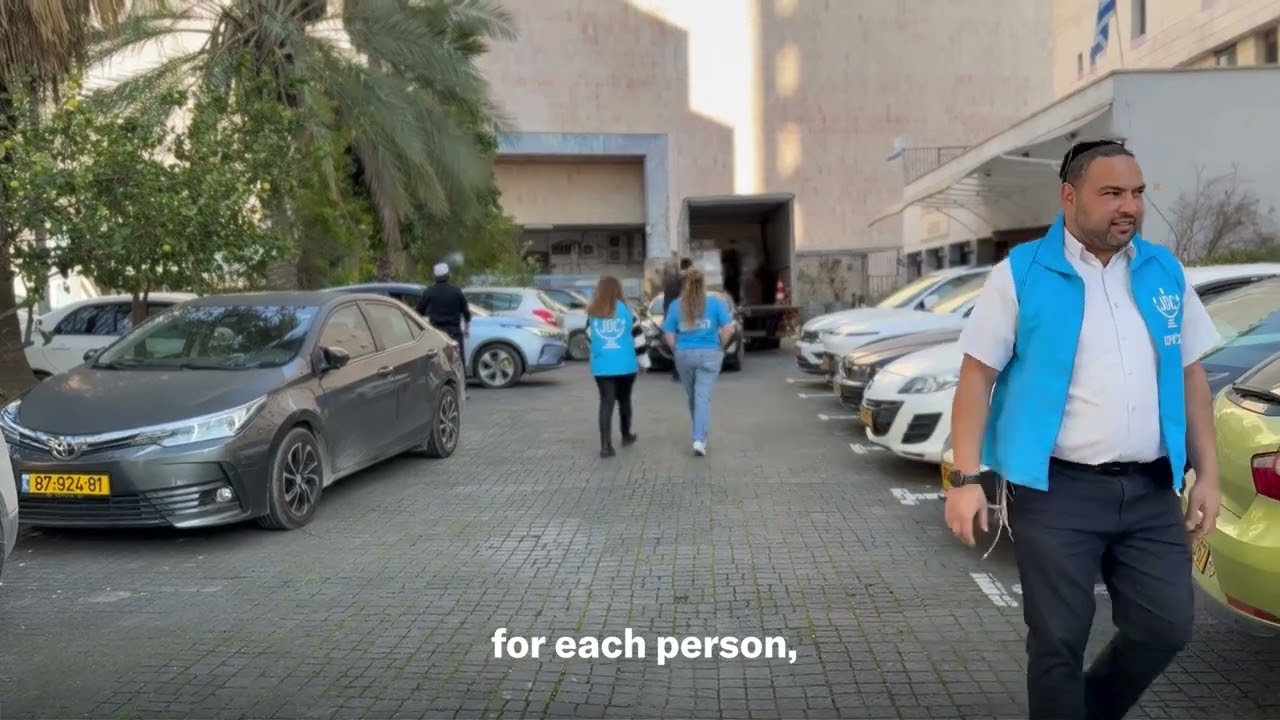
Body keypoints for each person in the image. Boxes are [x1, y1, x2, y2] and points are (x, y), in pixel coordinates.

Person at [944, 139, 1222, 720]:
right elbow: (975, 380)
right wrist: (965, 478)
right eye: (1113, 193)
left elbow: (1191, 376)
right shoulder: (1020, 274)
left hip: (1151, 489)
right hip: (1057, 492)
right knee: (1057, 641)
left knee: (1165, 626)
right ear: (1069, 196)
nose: (1130, 206)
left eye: (1138, 193)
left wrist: (1208, 475)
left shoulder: (1162, 270)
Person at [663, 268, 736, 456]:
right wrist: (720, 345)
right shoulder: (715, 303)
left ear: (685, 285)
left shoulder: (676, 305)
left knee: (693, 396)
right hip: (709, 354)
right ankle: (698, 439)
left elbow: (669, 333)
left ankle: (699, 435)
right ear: (703, 284)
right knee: (702, 397)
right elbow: (729, 328)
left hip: (684, 355)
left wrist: (676, 350)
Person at [585, 276, 649, 457]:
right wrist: (644, 362)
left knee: (606, 402)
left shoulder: (593, 312)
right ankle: (626, 435)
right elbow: (638, 338)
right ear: (618, 289)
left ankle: (605, 446)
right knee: (625, 400)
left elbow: (589, 337)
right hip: (625, 365)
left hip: (602, 366)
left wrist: (599, 352)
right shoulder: (628, 311)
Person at [415, 262, 472, 359]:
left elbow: (418, 312)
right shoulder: (456, 291)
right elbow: (466, 313)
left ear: (434, 277)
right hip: (454, 334)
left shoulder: (429, 292)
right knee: (457, 362)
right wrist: (466, 328)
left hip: (437, 334)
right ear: (448, 275)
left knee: (438, 364)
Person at [663, 257, 694, 382]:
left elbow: (665, 301)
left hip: (671, 316)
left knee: (676, 344)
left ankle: (677, 372)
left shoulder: (670, 282)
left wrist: (666, 317)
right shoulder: (688, 281)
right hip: (684, 316)